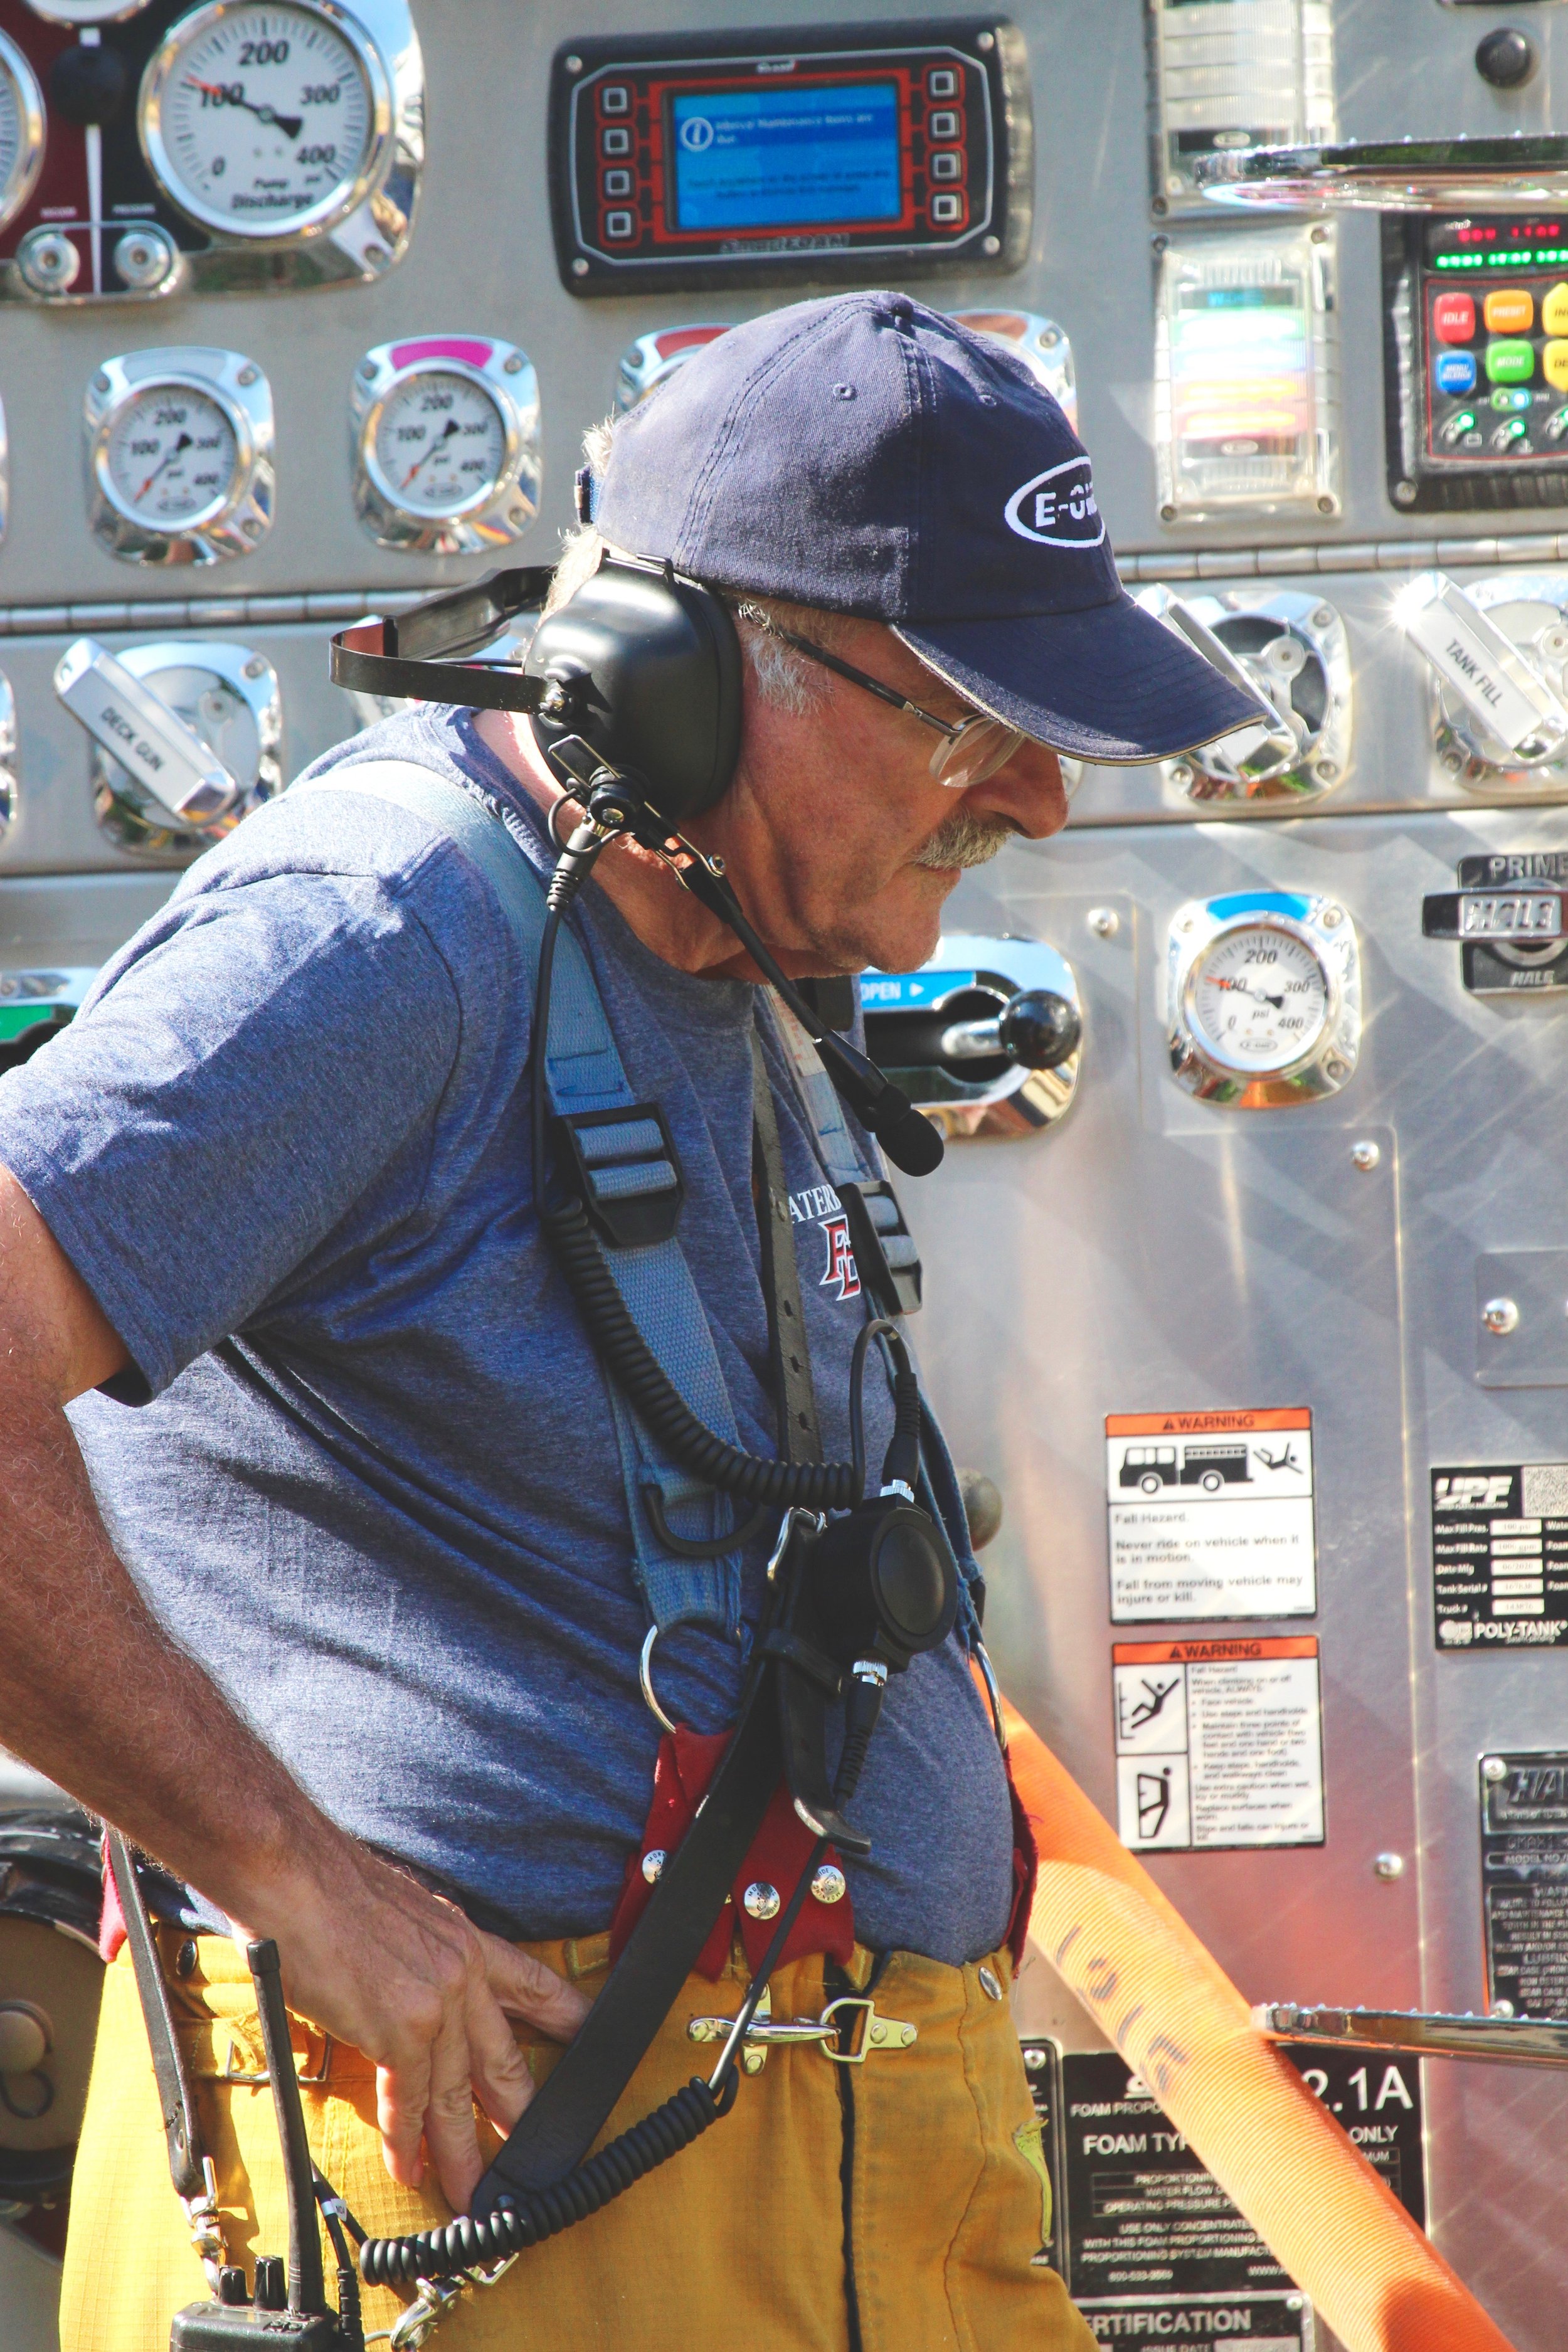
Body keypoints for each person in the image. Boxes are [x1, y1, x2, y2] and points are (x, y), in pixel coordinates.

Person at [0, 292, 1254, 2351]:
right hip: (519, 2184)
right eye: (961, 713)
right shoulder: (383, 928)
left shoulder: (705, 917)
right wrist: (305, 1886)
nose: (1036, 798)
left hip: (827, 2157)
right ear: (675, 679)